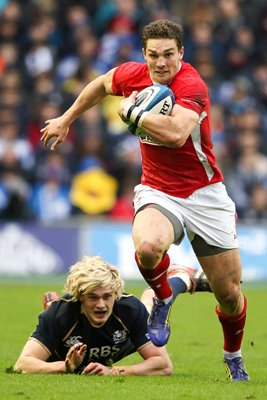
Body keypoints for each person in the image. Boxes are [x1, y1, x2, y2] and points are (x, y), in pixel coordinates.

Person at [40, 19, 249, 381]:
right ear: (144, 54)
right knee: (148, 247)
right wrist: (66, 118)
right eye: (154, 55)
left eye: (169, 54)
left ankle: (233, 356)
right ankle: (163, 299)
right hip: (158, 189)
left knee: (229, 294)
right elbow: (101, 84)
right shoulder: (133, 75)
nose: (161, 63)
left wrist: (135, 114)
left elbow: (176, 133)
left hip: (205, 196)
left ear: (181, 53)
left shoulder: (192, 85)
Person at [14, 256, 210, 375]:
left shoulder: (128, 309)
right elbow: (22, 364)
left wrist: (113, 371)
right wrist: (64, 367)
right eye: (92, 297)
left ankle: (180, 276)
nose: (101, 305)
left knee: (149, 307)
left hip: (126, 339)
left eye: (107, 296)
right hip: (64, 336)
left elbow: (163, 366)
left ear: (115, 294)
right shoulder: (59, 315)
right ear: (79, 297)